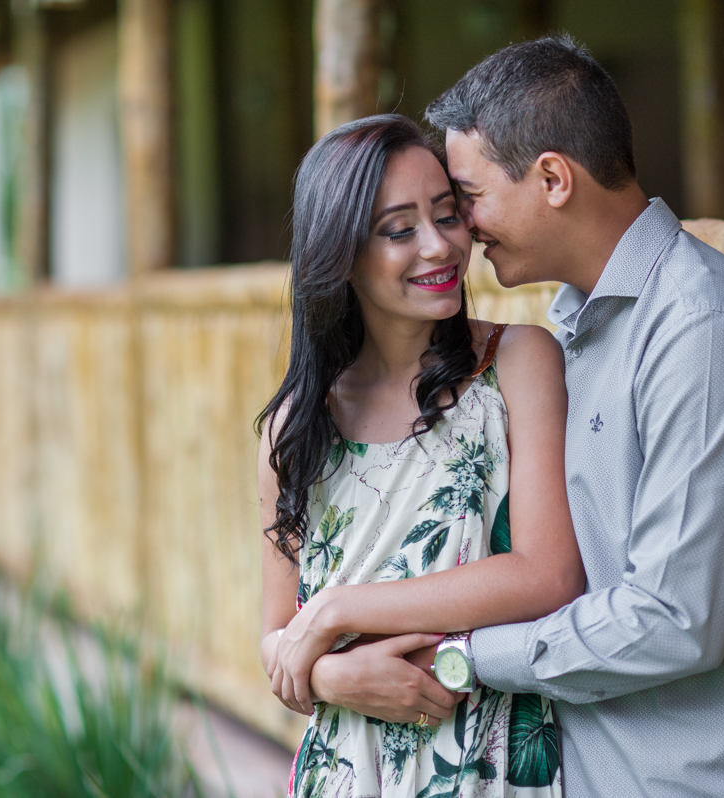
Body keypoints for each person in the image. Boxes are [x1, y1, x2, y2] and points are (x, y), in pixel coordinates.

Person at [299, 36, 724, 798]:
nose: (463, 229)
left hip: (721, 783)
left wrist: (460, 657)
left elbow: (673, 619)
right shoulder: (572, 338)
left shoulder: (705, 329)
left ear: (552, 178)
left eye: (467, 199)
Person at [256, 114, 586, 797]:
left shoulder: (519, 363)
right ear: (341, 253)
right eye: (399, 229)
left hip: (485, 764)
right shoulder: (297, 426)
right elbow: (275, 637)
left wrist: (340, 611)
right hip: (345, 771)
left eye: (447, 215)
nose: (439, 247)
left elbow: (548, 576)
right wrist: (331, 675)